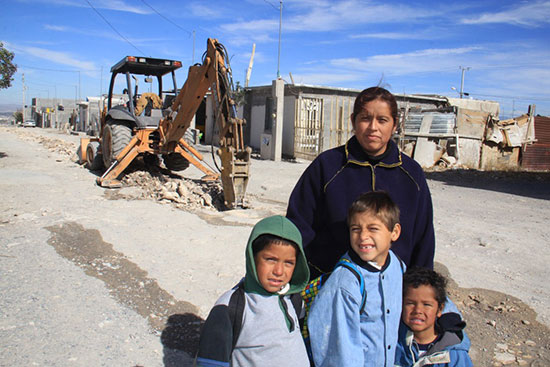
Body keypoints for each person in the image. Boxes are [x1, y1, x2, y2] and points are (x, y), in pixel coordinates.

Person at [287, 86, 435, 279]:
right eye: (365, 118)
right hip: (330, 283)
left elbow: (423, 240)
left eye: (382, 120)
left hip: (392, 289)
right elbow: (298, 226)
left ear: (395, 125)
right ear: (353, 121)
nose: (373, 127)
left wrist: (419, 287)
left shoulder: (411, 174)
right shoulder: (328, 166)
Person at [195, 215, 310, 367]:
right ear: (252, 257)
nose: (279, 271)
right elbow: (210, 362)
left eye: (288, 263)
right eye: (271, 259)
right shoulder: (230, 308)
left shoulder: (293, 300)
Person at [307, 191, 405, 367]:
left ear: (394, 232)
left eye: (373, 228)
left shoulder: (397, 265)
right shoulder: (345, 283)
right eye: (355, 229)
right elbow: (340, 351)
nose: (363, 236)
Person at [395, 267, 473, 367]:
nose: (418, 310)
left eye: (426, 305)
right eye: (410, 303)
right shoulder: (392, 344)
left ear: (440, 309)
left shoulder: (454, 355)